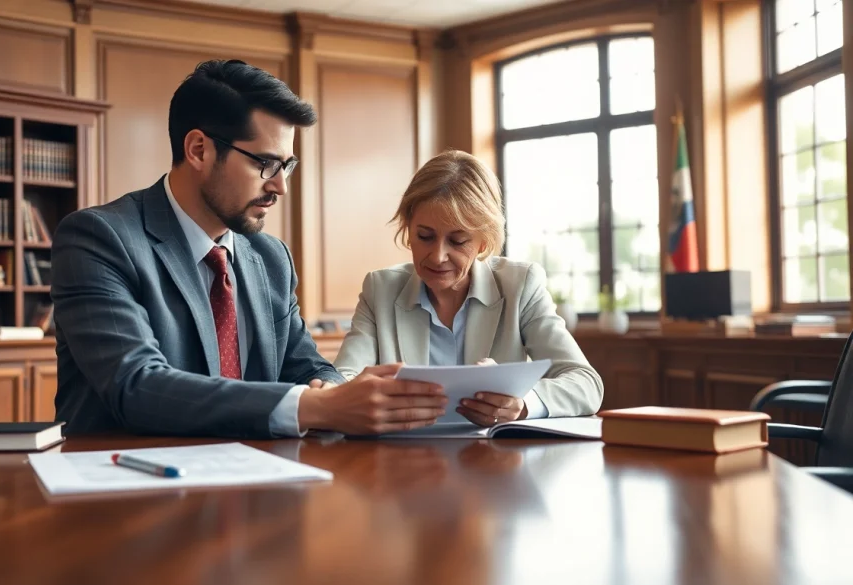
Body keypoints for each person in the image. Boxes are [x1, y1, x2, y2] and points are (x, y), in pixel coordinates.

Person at [50, 59, 446, 438]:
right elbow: (136, 385)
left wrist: (332, 391)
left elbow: (304, 365)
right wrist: (317, 408)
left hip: (258, 486)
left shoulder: (271, 258)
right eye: (266, 164)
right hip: (126, 491)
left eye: (286, 166)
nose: (280, 187)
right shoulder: (99, 238)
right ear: (199, 150)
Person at [332, 150, 603, 426]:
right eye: (424, 236)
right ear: (408, 229)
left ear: (484, 243)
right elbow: (342, 378)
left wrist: (522, 404)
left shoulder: (521, 285)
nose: (437, 256)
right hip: (402, 457)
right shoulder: (380, 289)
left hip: (494, 460)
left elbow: (586, 383)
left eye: (458, 241)